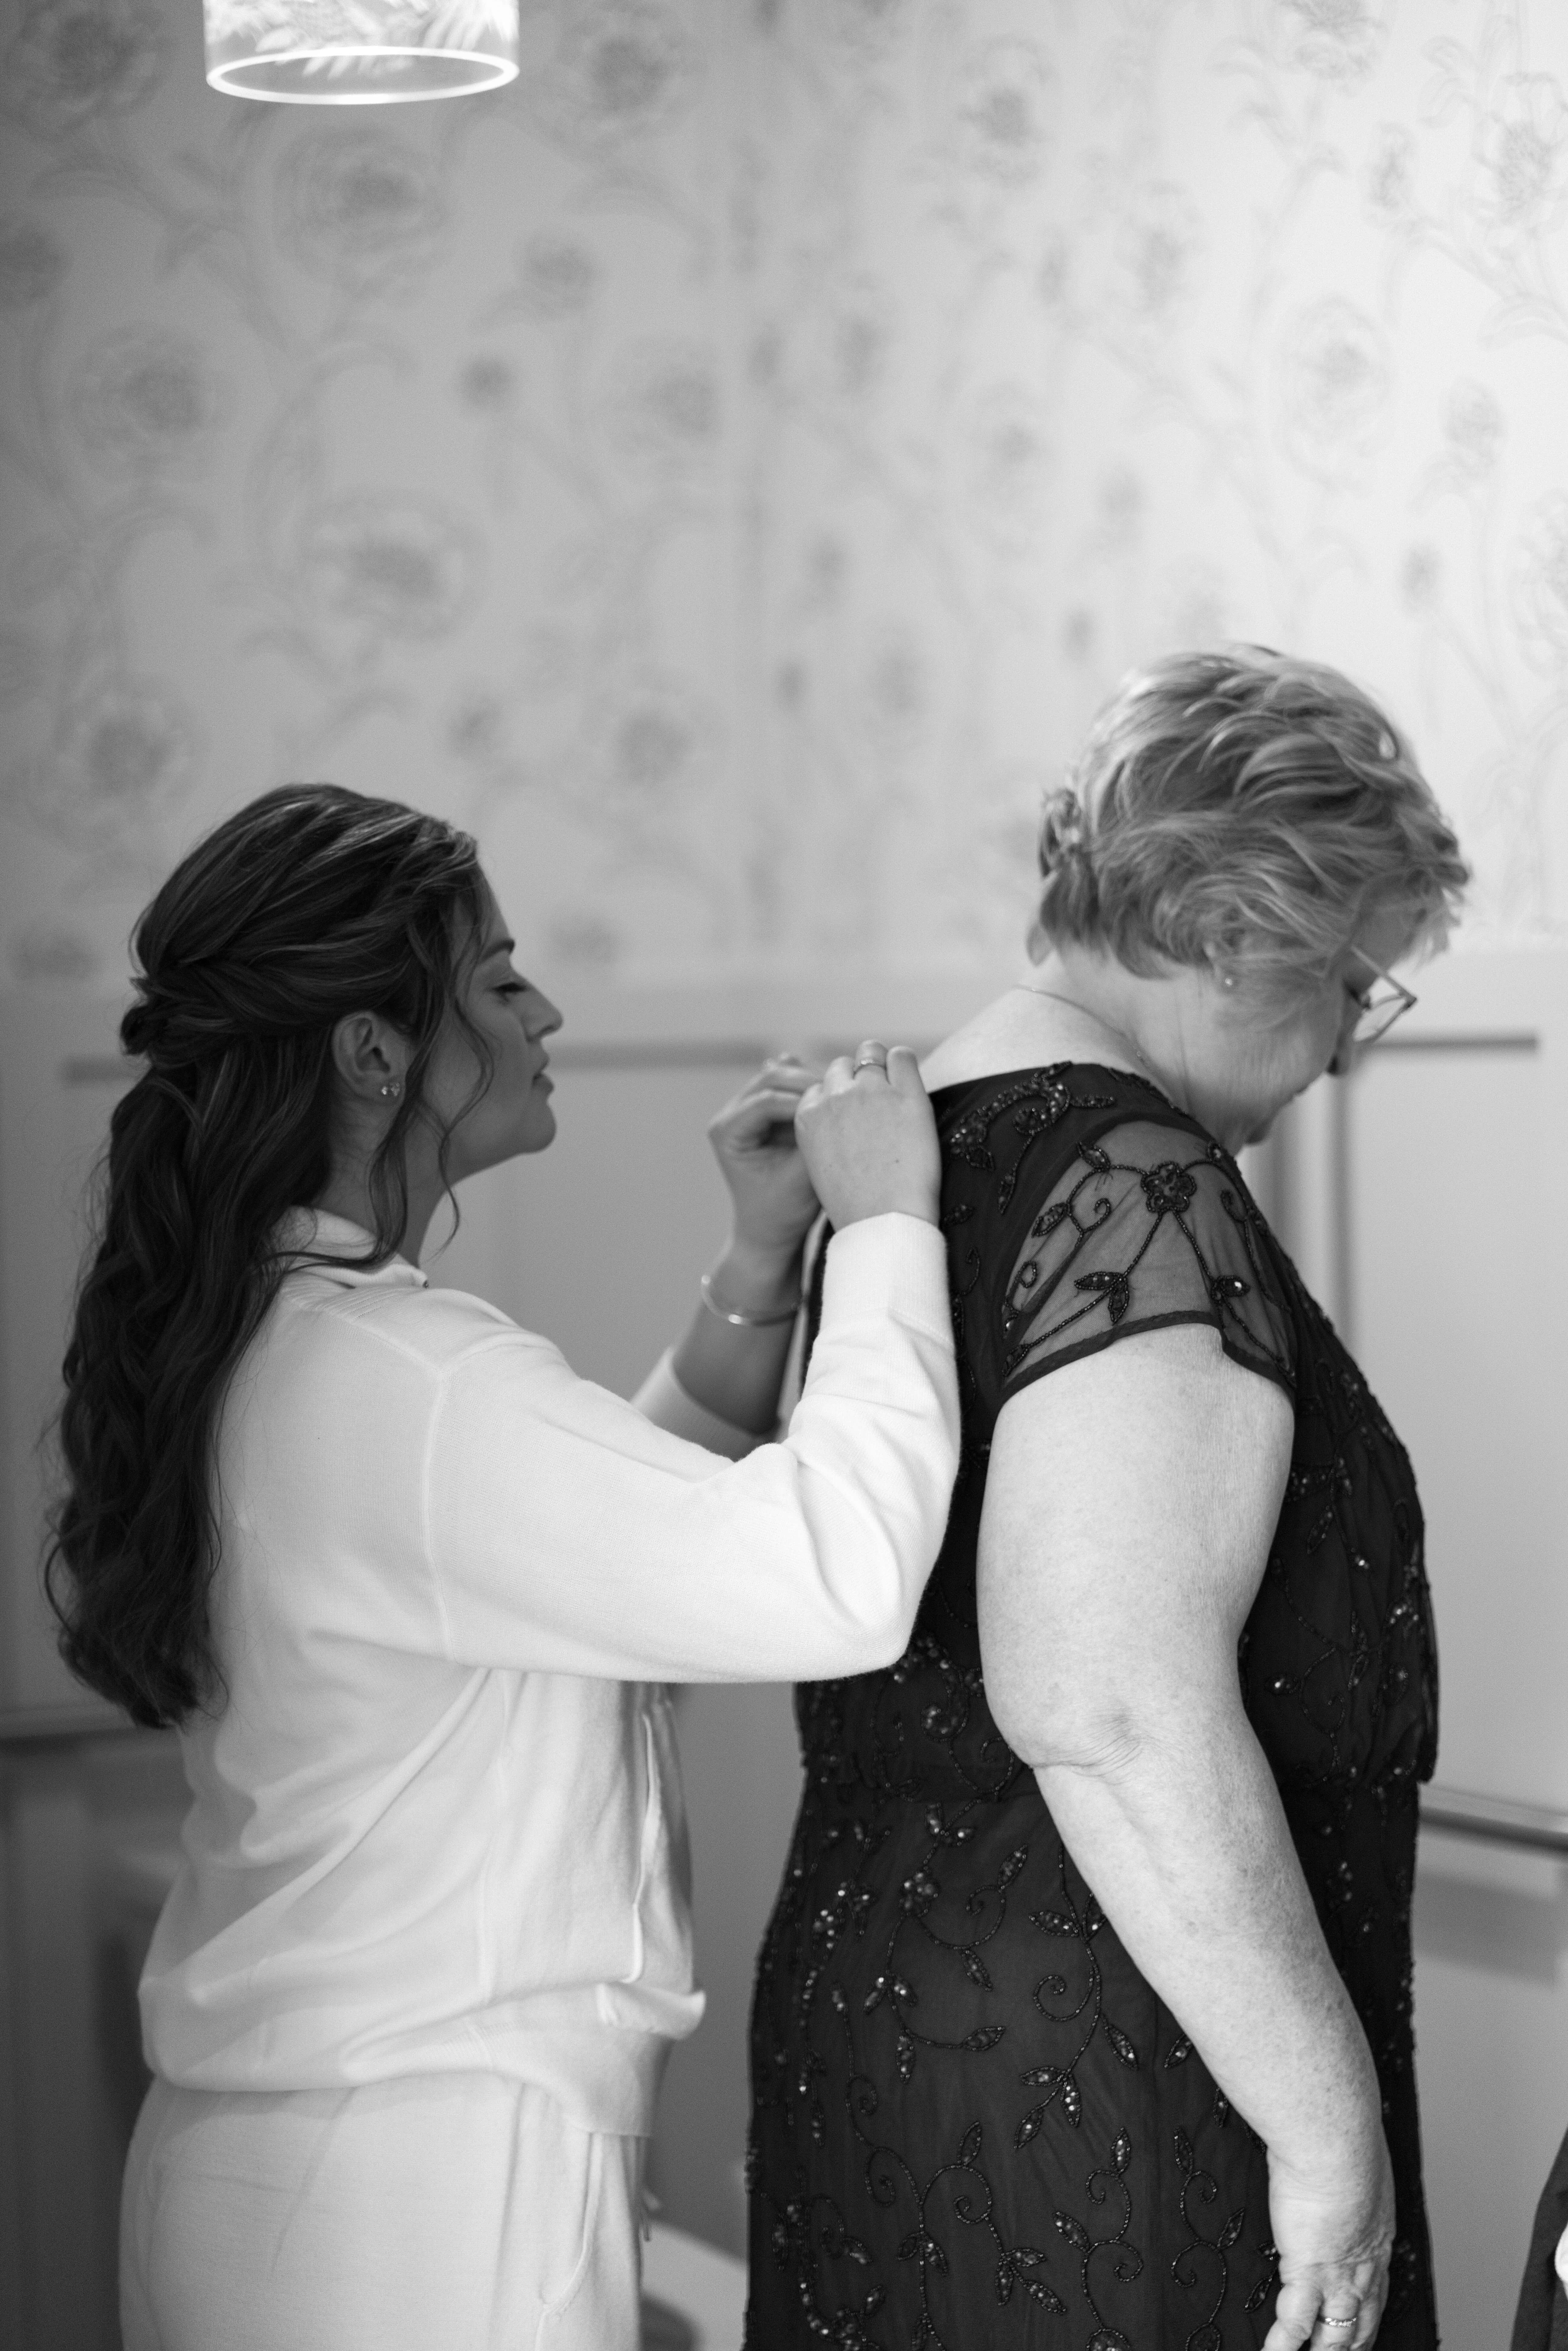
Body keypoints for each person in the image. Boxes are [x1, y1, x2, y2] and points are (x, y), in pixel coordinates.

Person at [43, 782, 962, 2351]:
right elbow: (837, 1578)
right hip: (425, 2209)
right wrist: (888, 1226)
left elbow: (575, 1580)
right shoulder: (404, 1377)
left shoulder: (285, 1340)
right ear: (375, 1050)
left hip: (279, 2178)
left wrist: (755, 1269)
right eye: (497, 974)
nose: (543, 1008)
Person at [746, 647, 1470, 2351]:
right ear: (1229, 935)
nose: (1348, 1057)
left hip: (893, 2016)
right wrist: (1323, 2126)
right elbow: (1107, 1701)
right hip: (1117, 2061)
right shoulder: (1130, 1180)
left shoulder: (908, 1157)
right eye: (1355, 986)